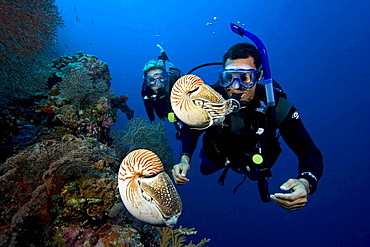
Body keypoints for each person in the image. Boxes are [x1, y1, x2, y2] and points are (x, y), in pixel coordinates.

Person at [172, 43, 323, 211]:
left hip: (254, 157)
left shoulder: (276, 105)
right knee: (205, 169)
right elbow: (191, 129)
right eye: (229, 78)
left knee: (254, 174)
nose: (235, 87)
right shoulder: (210, 96)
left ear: (258, 77)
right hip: (219, 151)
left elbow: (309, 152)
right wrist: (185, 158)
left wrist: (305, 182)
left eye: (245, 78)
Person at [141, 49, 183, 122]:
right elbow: (148, 108)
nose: (158, 83)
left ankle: (163, 57)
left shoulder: (175, 82)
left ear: (166, 77)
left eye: (161, 78)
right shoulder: (146, 91)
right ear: (147, 83)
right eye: (152, 80)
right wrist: (153, 121)